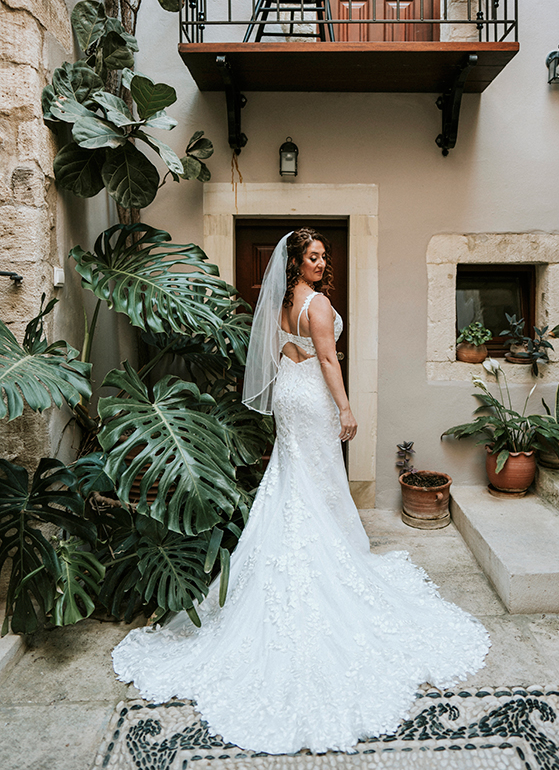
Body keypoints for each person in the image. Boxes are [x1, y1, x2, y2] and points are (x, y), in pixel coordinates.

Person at [112, 228, 489, 755]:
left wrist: (296, 355)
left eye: (323, 256)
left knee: (295, 477)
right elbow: (331, 361)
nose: (320, 261)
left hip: (291, 392)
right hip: (312, 396)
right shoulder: (318, 302)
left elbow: (279, 349)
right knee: (316, 476)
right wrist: (347, 407)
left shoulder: (283, 304)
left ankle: (301, 543)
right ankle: (323, 553)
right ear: (295, 262)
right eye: (312, 256)